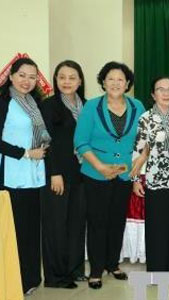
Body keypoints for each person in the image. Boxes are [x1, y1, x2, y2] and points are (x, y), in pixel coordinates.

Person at [74, 61, 145, 289]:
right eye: (111, 78)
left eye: (120, 79)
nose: (115, 83)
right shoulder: (91, 106)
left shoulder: (137, 106)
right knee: (97, 222)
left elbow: (146, 139)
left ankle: (112, 264)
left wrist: (138, 164)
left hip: (125, 174)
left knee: (116, 221)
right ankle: (95, 270)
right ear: (103, 82)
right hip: (96, 173)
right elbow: (81, 141)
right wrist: (101, 167)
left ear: (127, 84)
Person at [0, 57, 49, 295]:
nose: (27, 81)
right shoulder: (3, 102)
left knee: (31, 229)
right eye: (22, 75)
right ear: (10, 76)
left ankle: (30, 279)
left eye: (32, 77)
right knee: (14, 230)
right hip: (11, 174)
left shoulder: (34, 103)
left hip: (34, 176)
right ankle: (13, 280)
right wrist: (26, 153)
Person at [130, 76, 169, 272]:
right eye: (160, 89)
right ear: (153, 94)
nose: (166, 93)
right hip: (155, 180)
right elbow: (139, 150)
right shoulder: (145, 118)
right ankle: (157, 269)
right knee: (157, 227)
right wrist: (136, 179)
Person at [40, 60, 87, 289]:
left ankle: (75, 269)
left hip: (82, 175)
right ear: (56, 80)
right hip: (58, 174)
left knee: (76, 224)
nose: (67, 82)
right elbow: (45, 142)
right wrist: (54, 172)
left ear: (80, 81)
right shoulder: (48, 106)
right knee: (56, 225)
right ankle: (56, 276)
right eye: (62, 77)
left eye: (72, 77)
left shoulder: (87, 106)